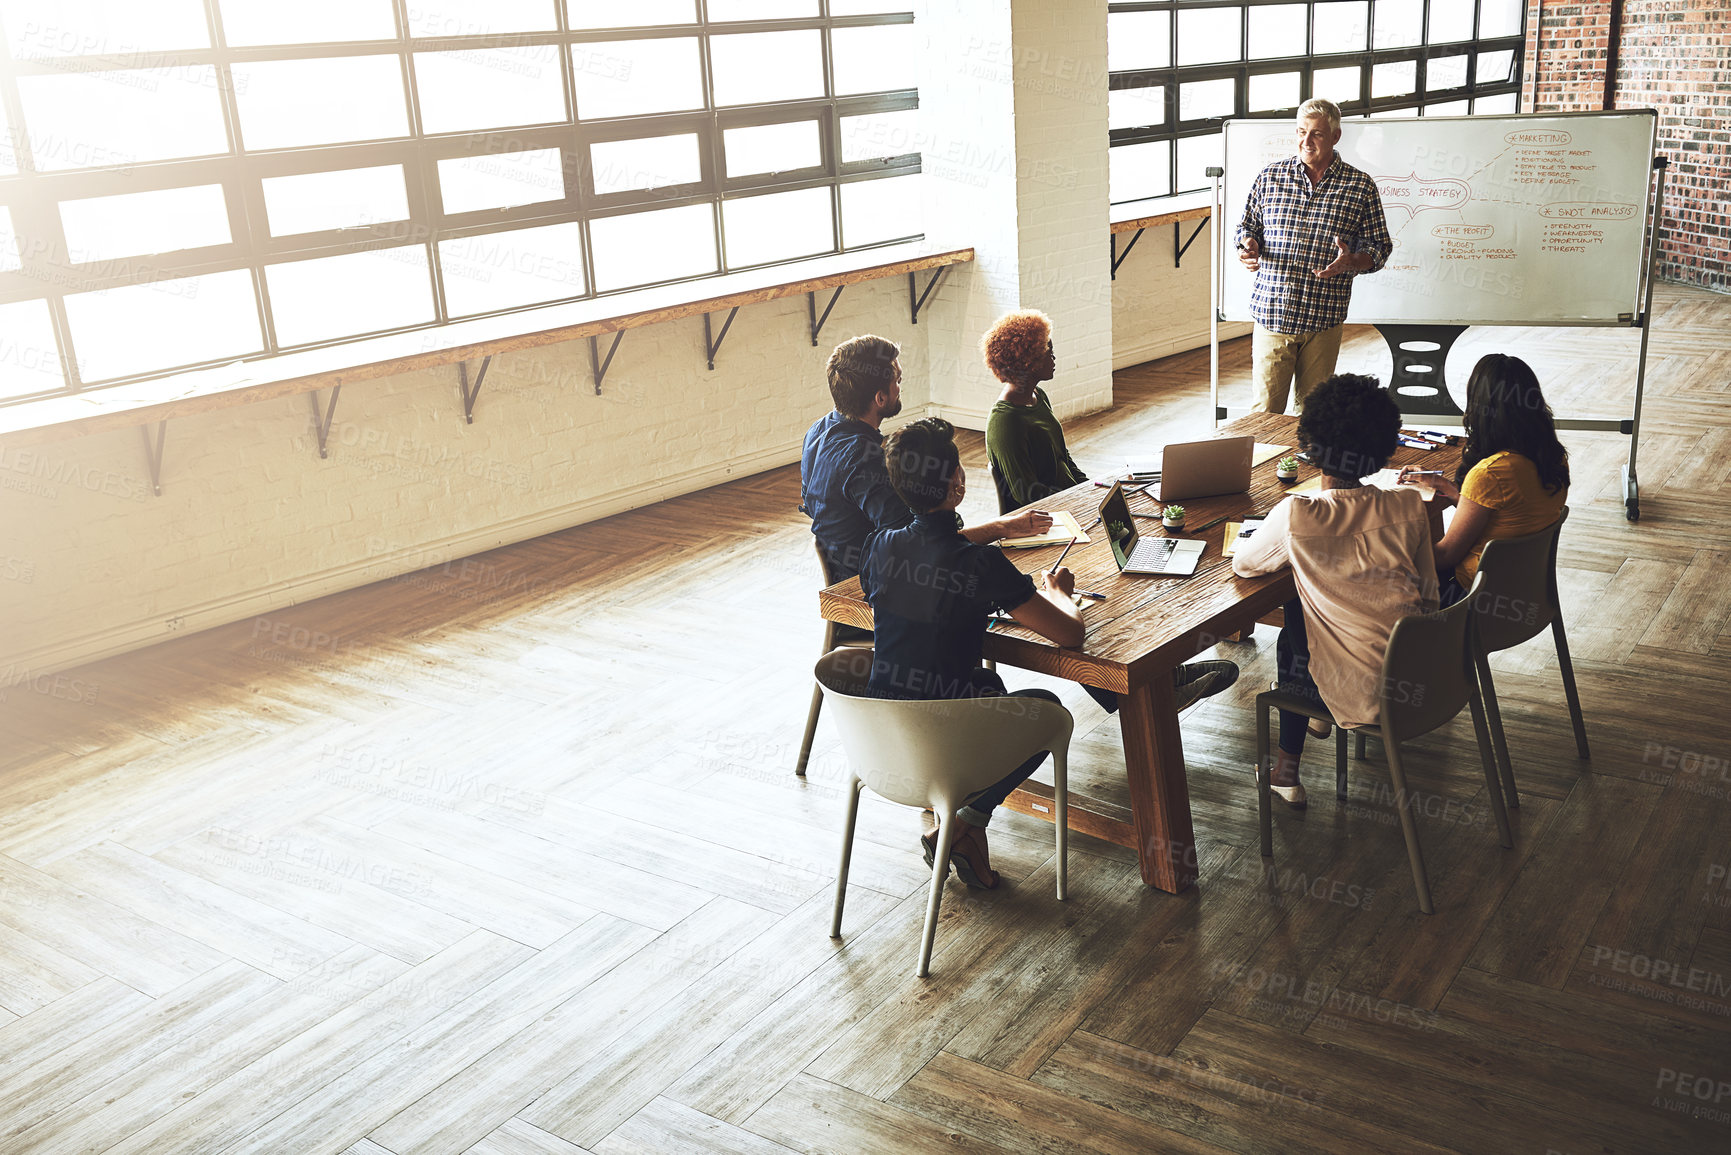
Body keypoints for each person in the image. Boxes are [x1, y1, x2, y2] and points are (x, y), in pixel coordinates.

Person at [864, 419, 1236, 887]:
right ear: (957, 482)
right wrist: (1059, 593)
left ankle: (968, 833)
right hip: (946, 742)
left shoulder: (879, 547)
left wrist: (996, 531)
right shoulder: (979, 565)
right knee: (1049, 713)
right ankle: (965, 820)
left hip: (879, 739)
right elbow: (1070, 636)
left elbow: (929, 550)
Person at [1231, 374, 1439, 807]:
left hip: (1363, 692)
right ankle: (1303, 741)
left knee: (1294, 625)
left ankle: (1288, 769)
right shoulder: (1407, 504)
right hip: (1428, 678)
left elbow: (1246, 565)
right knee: (1300, 618)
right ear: (1385, 443)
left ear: (1311, 445)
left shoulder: (1297, 514)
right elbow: (1429, 597)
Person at [800, 334, 1051, 584]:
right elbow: (927, 544)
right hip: (877, 581)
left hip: (849, 566)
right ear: (880, 398)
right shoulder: (865, 460)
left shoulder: (818, 430)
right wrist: (1002, 527)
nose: (901, 386)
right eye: (897, 380)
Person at [1236, 99, 1392, 415]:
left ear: (1335, 137)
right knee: (1265, 414)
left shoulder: (1360, 186)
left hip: (1324, 318)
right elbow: (1246, 226)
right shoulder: (1270, 176)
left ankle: (1306, 467)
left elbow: (1379, 246)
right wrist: (1247, 246)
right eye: (1301, 132)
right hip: (1273, 314)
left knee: (1314, 417)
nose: (1306, 142)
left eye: (1317, 134)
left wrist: (1354, 261)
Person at [1402, 354, 1569, 606]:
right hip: (1525, 589)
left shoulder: (1489, 473)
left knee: (1378, 575)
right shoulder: (1553, 457)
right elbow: (1505, 512)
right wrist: (1447, 488)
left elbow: (1446, 556)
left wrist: (1391, 541)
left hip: (1474, 599)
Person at [982, 310, 1088, 513]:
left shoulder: (1037, 396)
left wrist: (1091, 488)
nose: (1054, 357)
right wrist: (1077, 501)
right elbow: (1026, 493)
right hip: (1047, 515)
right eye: (1049, 351)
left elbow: (1062, 459)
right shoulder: (1005, 421)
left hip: (1070, 500)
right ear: (1030, 361)